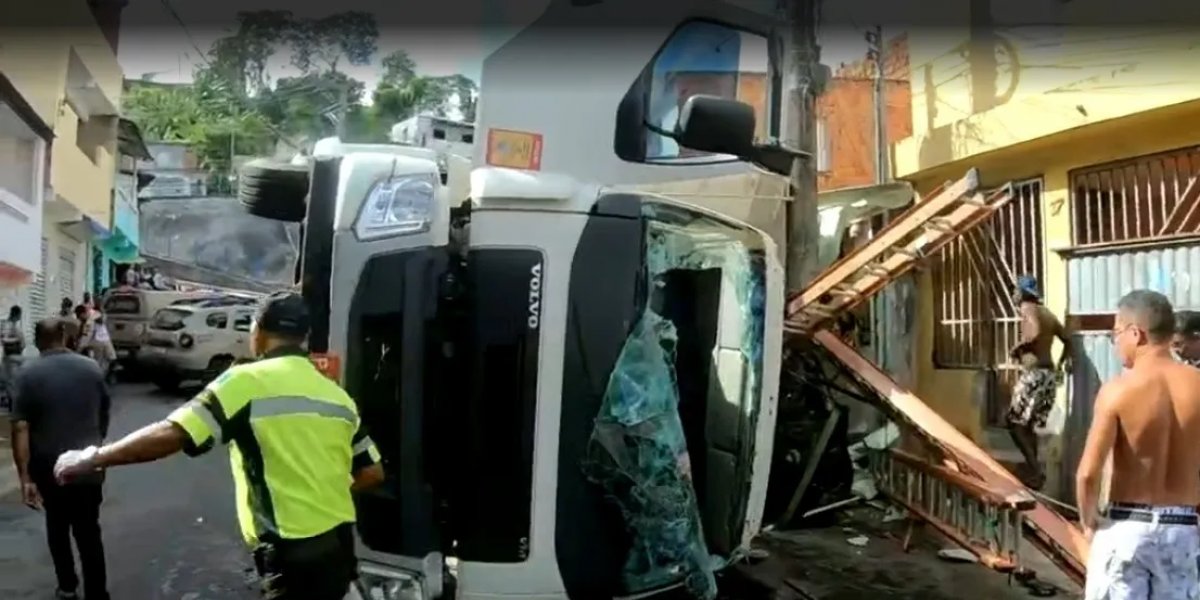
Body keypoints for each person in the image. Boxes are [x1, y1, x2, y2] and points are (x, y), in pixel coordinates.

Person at [55, 291, 386, 599]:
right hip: (339, 552)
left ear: (257, 331)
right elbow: (372, 472)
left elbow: (173, 433)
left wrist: (93, 457)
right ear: (304, 337)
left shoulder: (247, 381)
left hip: (290, 557)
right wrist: (321, 488)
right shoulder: (337, 396)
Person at [1075, 290, 1200, 599]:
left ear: (1136, 333)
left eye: (1116, 333)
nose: (1116, 342)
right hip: (1182, 531)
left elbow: (1087, 474)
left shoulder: (1118, 390)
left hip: (1126, 528)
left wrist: (1090, 524)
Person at [10, 319, 112, 600]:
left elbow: (20, 428)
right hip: (88, 463)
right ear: (64, 337)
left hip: (49, 468)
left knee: (57, 526)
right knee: (89, 530)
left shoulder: (27, 374)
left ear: (37, 340)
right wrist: (95, 450)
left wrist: (25, 478)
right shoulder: (91, 368)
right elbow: (103, 417)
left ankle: (67, 586)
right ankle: (97, 592)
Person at [1005, 275, 1072, 490]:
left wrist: (1019, 347)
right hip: (1048, 375)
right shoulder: (1048, 313)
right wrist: (1061, 363)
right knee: (1028, 426)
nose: (1013, 294)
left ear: (1024, 293)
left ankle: (1036, 469)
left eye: (1015, 290)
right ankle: (1034, 471)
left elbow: (1033, 331)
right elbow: (1067, 339)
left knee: (1013, 423)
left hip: (1033, 376)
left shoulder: (1028, 308)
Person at [2, 305, 25, 406]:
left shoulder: (14, 325)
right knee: (11, 381)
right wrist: (17, 340)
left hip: (16, 357)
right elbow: (4, 339)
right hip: (11, 357)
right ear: (17, 314)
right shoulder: (8, 325)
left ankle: (15, 403)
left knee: (15, 381)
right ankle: (13, 404)